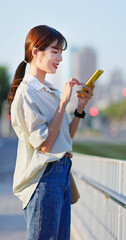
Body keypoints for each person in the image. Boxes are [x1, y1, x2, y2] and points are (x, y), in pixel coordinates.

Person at [7, 25, 95, 240]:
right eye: (54, 52)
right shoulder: (26, 93)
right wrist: (63, 102)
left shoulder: (51, 91)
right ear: (36, 52)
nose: (60, 58)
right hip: (43, 178)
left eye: (61, 53)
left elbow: (65, 138)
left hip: (62, 172)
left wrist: (80, 107)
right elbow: (45, 145)